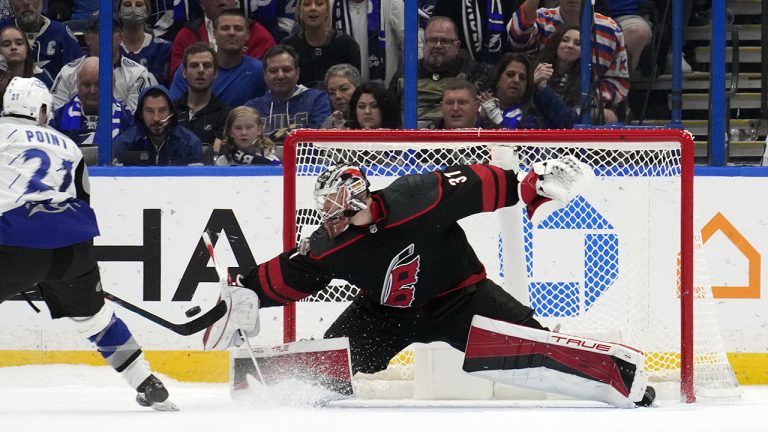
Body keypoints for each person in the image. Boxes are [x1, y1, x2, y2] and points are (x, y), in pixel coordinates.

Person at [199, 150, 655, 407]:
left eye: (337, 208)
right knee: (330, 363)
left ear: (358, 197)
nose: (330, 218)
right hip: (385, 315)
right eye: (328, 210)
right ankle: (265, 386)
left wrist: (528, 184)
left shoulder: (414, 197)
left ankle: (620, 380)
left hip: (463, 299)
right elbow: (292, 275)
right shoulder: (329, 243)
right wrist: (245, 291)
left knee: (529, 347)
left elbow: (479, 186)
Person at [0, 76, 176, 411]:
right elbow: (83, 198)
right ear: (39, 109)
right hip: (73, 247)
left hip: (13, 241)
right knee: (95, 319)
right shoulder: (67, 144)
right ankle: (146, 381)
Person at [506, 0, 630, 109]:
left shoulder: (610, 30)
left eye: (577, 43)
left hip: (588, 108)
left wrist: (584, 103)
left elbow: (618, 81)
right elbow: (516, 40)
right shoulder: (541, 18)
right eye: (565, 40)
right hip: (536, 103)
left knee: (609, 117)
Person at [388, 16, 484, 128]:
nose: (438, 46)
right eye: (433, 40)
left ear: (457, 46)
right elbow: (390, 114)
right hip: (411, 138)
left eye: (444, 41)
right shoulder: (406, 73)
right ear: (424, 43)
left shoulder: (471, 71)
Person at [50, 13, 155, 114]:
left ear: (121, 37)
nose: (105, 34)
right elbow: (54, 113)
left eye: (112, 29)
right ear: (87, 38)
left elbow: (135, 120)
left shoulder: (137, 74)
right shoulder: (68, 72)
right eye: (98, 30)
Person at [169, 8, 268, 107]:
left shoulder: (258, 70)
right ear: (215, 33)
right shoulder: (191, 67)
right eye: (225, 28)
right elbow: (174, 109)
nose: (231, 33)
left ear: (247, 35)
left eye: (238, 29)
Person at [244, 44, 332, 147]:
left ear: (297, 73)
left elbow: (318, 143)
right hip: (263, 162)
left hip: (304, 162)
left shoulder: (317, 100)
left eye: (286, 70)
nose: (280, 76)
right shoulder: (252, 108)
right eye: (273, 71)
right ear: (265, 75)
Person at [531, 26, 617, 128]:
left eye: (577, 44)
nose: (570, 46)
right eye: (565, 40)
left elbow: (571, 122)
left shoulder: (584, 81)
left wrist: (544, 89)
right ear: (556, 44)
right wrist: (531, 83)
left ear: (584, 52)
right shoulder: (536, 67)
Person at [170, 0, 275, 76]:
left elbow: (271, 76)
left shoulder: (259, 34)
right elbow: (177, 79)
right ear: (202, 4)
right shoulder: (186, 36)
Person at [50, 57, 134, 147]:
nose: (92, 91)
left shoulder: (128, 122)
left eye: (99, 85)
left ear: (112, 85)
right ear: (77, 85)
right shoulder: (57, 120)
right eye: (86, 85)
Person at [112, 85, 203, 166]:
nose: (156, 118)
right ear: (140, 113)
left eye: (162, 111)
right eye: (150, 111)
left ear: (171, 112)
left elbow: (194, 183)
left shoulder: (190, 144)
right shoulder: (125, 144)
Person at [282, 0, 361, 89]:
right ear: (299, 10)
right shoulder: (288, 46)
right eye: (307, 4)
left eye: (319, 4)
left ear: (327, 10)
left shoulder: (347, 45)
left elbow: (355, 89)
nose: (313, 8)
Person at [172, 42, 230, 162]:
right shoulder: (170, 111)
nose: (201, 70)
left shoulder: (226, 115)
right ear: (184, 72)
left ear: (215, 73)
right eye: (194, 65)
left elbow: (218, 158)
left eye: (207, 65)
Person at [0, 0, 83, 83]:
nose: (26, 2)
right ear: (10, 3)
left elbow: (76, 79)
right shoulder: (2, 29)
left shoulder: (62, 33)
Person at [330, 0, 405, 86]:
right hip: (341, 93)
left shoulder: (391, 3)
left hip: (384, 92)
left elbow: (413, 47)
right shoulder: (331, 5)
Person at [477, 53, 541, 129]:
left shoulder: (530, 119)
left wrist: (496, 116)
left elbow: (517, 140)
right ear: (498, 78)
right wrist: (479, 118)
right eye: (510, 75)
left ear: (526, 86)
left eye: (522, 78)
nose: (516, 80)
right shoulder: (476, 105)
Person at [118, 0, 173, 85]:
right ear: (119, 12)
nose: (133, 8)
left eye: (139, 5)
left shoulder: (162, 48)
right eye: (127, 4)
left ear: (147, 12)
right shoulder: (110, 48)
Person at [214, 105, 279, 165]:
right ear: (230, 132)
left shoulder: (271, 161)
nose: (243, 132)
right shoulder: (223, 162)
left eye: (249, 127)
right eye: (238, 128)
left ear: (259, 130)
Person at [321, 63, 361, 129]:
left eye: (344, 89)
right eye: (332, 92)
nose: (338, 96)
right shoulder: (328, 125)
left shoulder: (369, 117)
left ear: (358, 89)